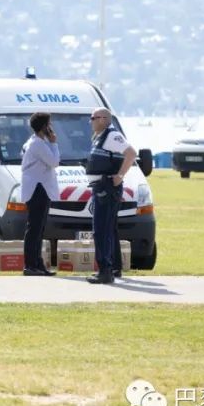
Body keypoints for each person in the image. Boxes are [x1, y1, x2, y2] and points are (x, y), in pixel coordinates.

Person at [84, 108, 136, 284]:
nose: (90, 121)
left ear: (103, 119)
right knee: (108, 229)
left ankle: (105, 271)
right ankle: (112, 267)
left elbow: (131, 153)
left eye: (93, 118)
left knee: (101, 230)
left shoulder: (112, 136)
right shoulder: (100, 137)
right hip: (101, 188)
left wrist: (120, 176)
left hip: (107, 189)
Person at [20, 112, 59, 276]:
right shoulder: (38, 144)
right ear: (45, 127)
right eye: (49, 124)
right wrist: (54, 143)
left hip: (39, 188)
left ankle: (38, 264)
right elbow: (54, 161)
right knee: (35, 229)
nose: (51, 127)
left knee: (38, 229)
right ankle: (30, 265)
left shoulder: (36, 142)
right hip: (38, 189)